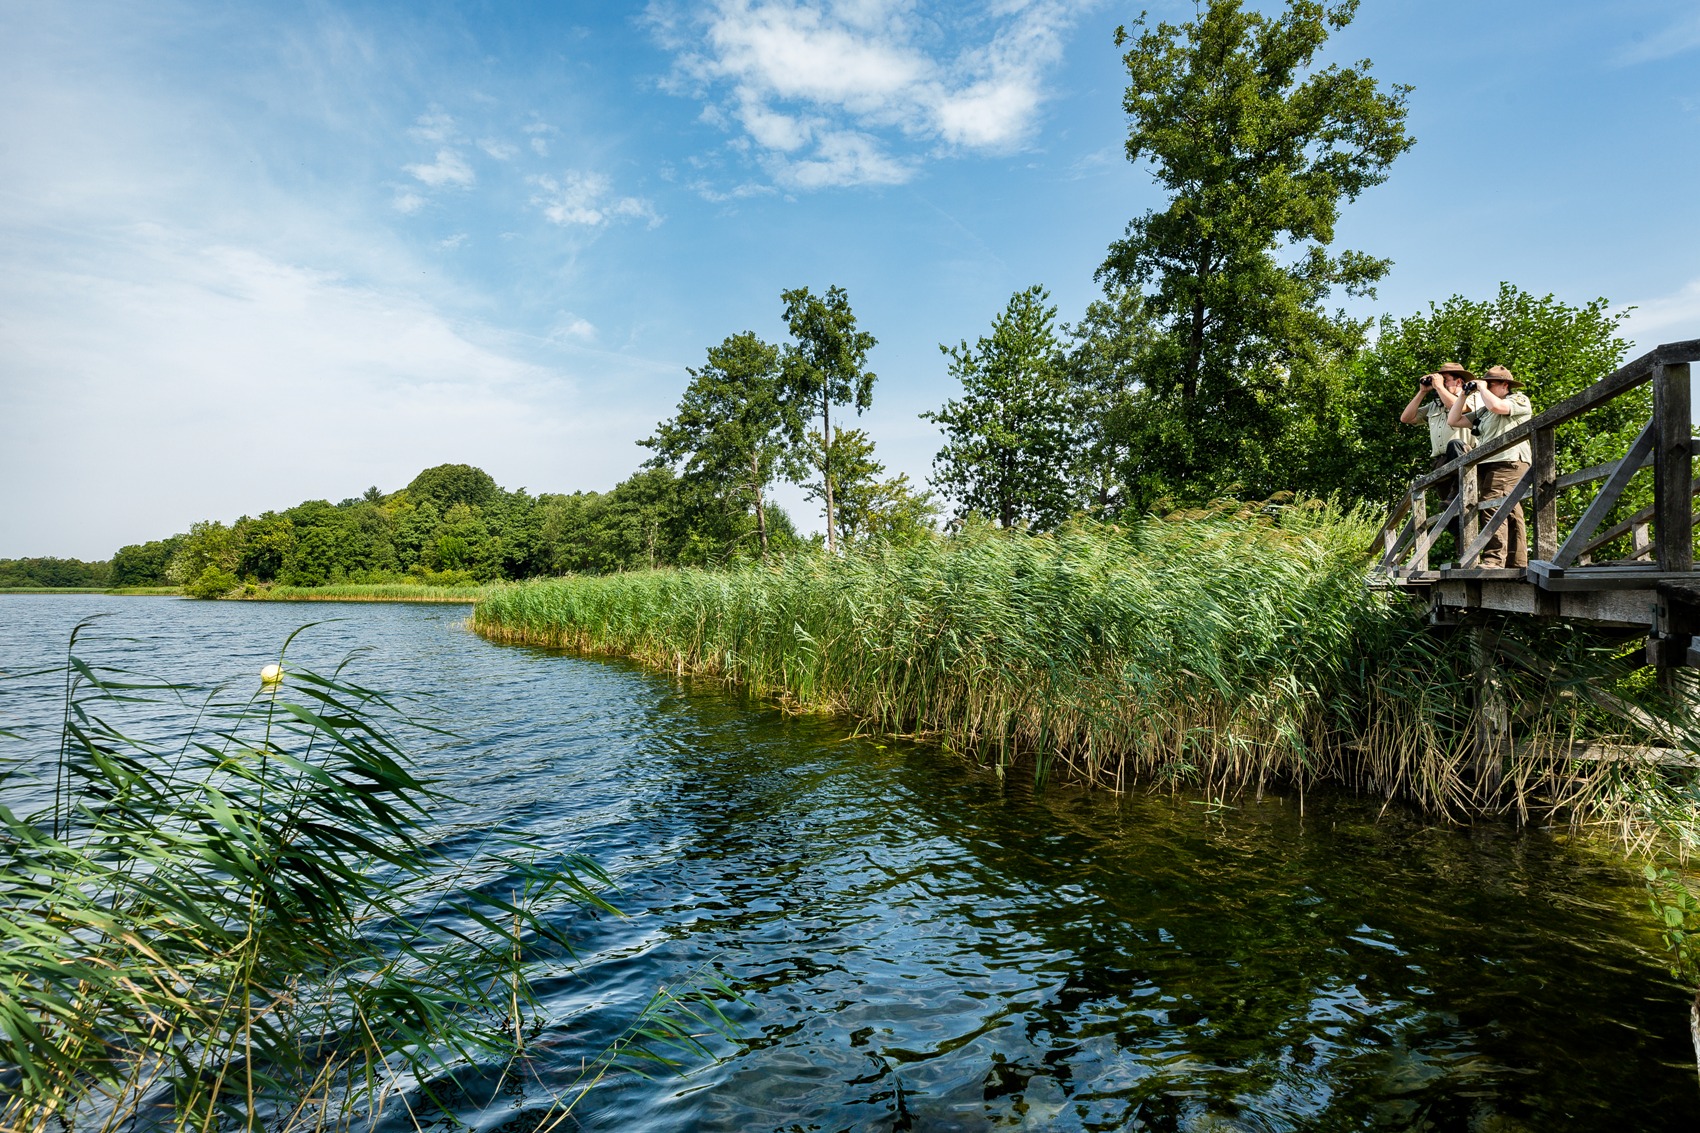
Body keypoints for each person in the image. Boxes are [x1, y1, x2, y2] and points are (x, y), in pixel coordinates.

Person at [1448, 364, 1532, 568]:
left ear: (1505, 385)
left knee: (1491, 505)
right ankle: (1517, 562)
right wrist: (1463, 395)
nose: (1485, 387)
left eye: (1491, 384)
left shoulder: (1518, 400)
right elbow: (1453, 419)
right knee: (1511, 512)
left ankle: (1494, 560)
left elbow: (1499, 408)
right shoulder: (1484, 411)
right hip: (1489, 465)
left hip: (1509, 461)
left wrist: (1482, 389)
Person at [1398, 361, 1477, 555]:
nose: (1437, 384)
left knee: (1466, 507)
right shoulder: (1434, 406)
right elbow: (1406, 418)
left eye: (1445, 379)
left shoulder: (1471, 398)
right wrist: (1423, 391)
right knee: (1450, 514)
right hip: (1440, 463)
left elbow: (1460, 407)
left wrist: (1440, 387)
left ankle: (1474, 554)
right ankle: (1464, 556)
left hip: (1463, 456)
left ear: (1459, 381)